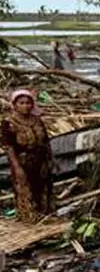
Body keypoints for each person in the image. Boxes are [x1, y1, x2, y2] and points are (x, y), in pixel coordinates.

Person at [1, 90, 54, 222]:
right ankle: (29, 220)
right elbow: (8, 147)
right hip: (22, 162)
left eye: (28, 103)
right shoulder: (9, 123)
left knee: (43, 189)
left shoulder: (37, 120)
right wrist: (17, 167)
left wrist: (51, 159)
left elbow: (46, 141)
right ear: (15, 105)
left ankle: (45, 217)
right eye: (22, 103)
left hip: (40, 161)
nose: (26, 106)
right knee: (25, 190)